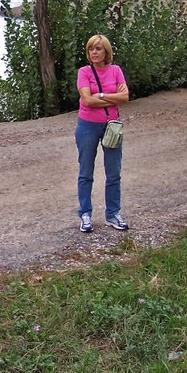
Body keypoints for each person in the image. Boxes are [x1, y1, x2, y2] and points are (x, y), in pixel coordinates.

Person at [75, 34, 130, 233]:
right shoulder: (84, 72)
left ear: (106, 51)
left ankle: (113, 213)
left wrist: (101, 96)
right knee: (86, 172)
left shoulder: (116, 71)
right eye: (91, 49)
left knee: (113, 172)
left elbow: (125, 97)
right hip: (87, 126)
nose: (94, 52)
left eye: (98, 48)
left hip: (111, 126)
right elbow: (87, 101)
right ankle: (85, 214)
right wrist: (112, 98)